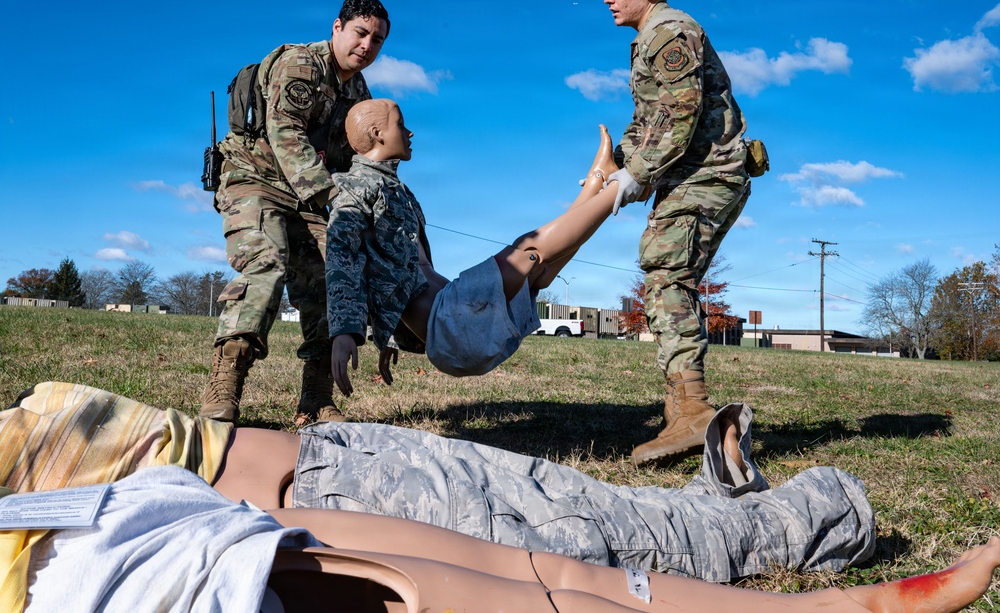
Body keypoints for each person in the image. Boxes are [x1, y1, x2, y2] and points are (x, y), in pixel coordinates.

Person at [2, 382, 874, 582]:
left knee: (623, 541)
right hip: (338, 475)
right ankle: (725, 491)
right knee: (606, 518)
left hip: (344, 493)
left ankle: (822, 508)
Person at [17, 466, 1000, 613]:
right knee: (558, 571)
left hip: (150, 508)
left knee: (565, 557)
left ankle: (842, 585)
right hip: (134, 563)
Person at [326, 98, 621, 393]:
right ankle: (624, 184)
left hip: (457, 317)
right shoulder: (353, 187)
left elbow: (390, 279)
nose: (409, 132)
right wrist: (344, 332)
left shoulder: (398, 190)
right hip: (449, 327)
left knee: (539, 272)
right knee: (526, 252)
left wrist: (388, 336)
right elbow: (342, 258)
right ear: (377, 133)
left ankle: (599, 181)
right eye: (400, 125)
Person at [198, 0, 390, 428]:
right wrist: (335, 199)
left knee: (334, 276)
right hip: (255, 178)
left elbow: (356, 157)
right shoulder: (302, 65)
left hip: (308, 196)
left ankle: (316, 399)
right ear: (337, 27)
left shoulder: (359, 93)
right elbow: (286, 135)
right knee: (266, 264)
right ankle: (224, 386)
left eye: (377, 40)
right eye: (360, 33)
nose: (367, 46)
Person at [600, 0, 752, 466]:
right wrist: (618, 161)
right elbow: (648, 119)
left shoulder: (669, 31)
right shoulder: (647, 40)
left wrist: (636, 175)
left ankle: (692, 410)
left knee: (666, 276)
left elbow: (681, 114)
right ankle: (682, 409)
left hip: (707, 173)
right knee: (670, 278)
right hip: (697, 176)